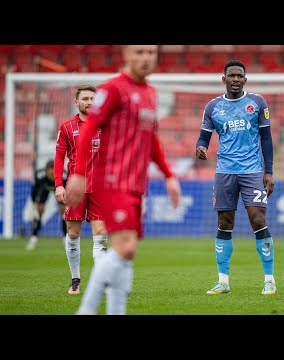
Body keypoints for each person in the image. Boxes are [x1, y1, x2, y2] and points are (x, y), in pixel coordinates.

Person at [66, 45, 181, 315]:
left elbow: (151, 139)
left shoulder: (150, 93)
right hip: (111, 181)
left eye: (151, 52)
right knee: (125, 249)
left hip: (135, 185)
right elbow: (89, 129)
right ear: (127, 54)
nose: (146, 58)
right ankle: (86, 309)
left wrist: (169, 175)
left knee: (127, 255)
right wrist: (79, 174)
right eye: (139, 52)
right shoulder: (113, 89)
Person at [195, 59, 276, 296]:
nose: (236, 79)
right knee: (224, 224)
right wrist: (200, 147)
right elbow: (203, 137)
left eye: (240, 76)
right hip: (224, 171)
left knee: (258, 220)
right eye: (232, 76)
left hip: (252, 171)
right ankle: (223, 282)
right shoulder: (213, 107)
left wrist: (268, 171)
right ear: (224, 79)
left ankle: (269, 279)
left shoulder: (257, 103)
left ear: (245, 79)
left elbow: (267, 139)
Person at [54, 85, 108, 295]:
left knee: (101, 234)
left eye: (93, 98)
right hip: (75, 188)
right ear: (77, 102)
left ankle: (101, 281)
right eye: (85, 98)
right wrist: (59, 184)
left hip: (100, 189)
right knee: (73, 233)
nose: (89, 102)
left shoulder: (106, 125)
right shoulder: (67, 127)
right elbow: (59, 158)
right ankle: (75, 279)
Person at [26, 159, 67, 250]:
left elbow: (67, 190)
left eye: (54, 174)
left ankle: (66, 239)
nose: (52, 176)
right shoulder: (40, 176)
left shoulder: (64, 176)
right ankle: (33, 238)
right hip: (44, 189)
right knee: (39, 212)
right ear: (46, 171)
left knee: (64, 212)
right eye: (50, 174)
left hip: (60, 187)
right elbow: (35, 190)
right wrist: (34, 203)